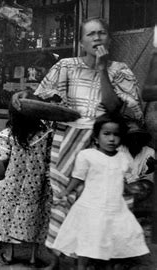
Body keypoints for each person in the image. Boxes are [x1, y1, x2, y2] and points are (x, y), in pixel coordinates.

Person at [11, 17, 143, 269]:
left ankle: (99, 259)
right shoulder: (66, 66)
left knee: (104, 202)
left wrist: (102, 69)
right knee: (65, 198)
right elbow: (41, 99)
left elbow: (115, 108)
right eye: (90, 34)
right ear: (81, 42)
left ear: (109, 39)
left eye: (102, 33)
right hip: (68, 140)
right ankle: (61, 260)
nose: (97, 38)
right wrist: (22, 97)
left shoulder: (120, 70)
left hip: (106, 143)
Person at [52, 114, 149, 270]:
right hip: (91, 206)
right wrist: (65, 192)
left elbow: (120, 180)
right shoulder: (87, 155)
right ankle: (81, 267)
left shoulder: (123, 158)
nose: (112, 139)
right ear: (96, 137)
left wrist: (130, 189)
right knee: (86, 240)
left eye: (116, 135)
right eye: (106, 134)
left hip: (115, 207)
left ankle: (107, 264)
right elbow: (78, 178)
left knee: (112, 239)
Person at [0, 103, 52, 266]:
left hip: (14, 180)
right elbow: (49, 158)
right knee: (37, 216)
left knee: (9, 214)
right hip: (37, 182)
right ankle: (33, 256)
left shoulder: (8, 134)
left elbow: (2, 156)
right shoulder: (46, 134)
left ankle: (9, 254)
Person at [121, 120, 155, 209]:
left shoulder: (149, 152)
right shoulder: (119, 150)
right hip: (120, 184)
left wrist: (150, 169)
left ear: (143, 138)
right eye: (132, 138)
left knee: (146, 186)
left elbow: (147, 176)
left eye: (138, 137)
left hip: (136, 186)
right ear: (126, 139)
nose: (135, 141)